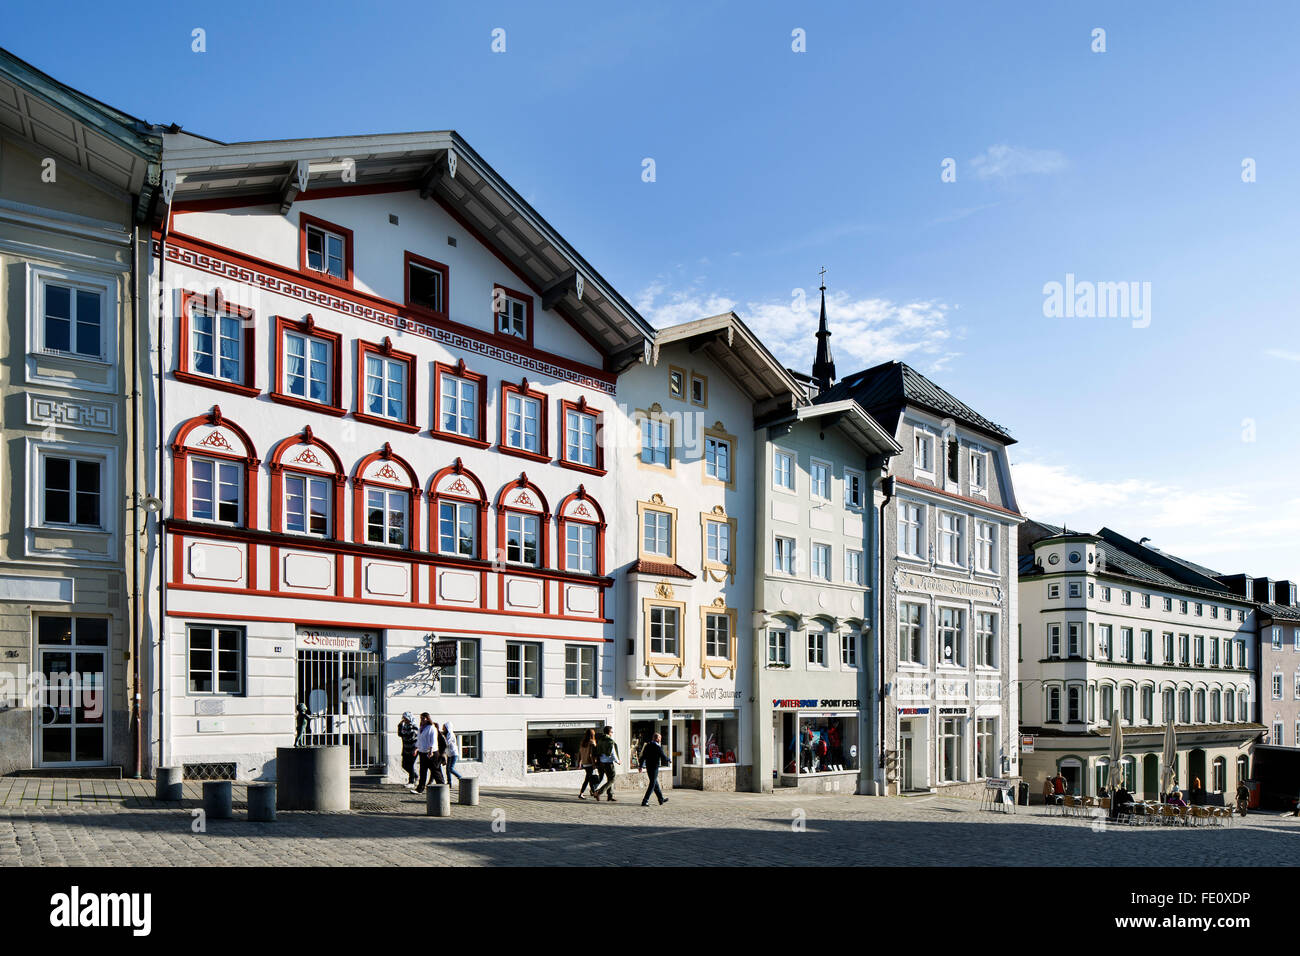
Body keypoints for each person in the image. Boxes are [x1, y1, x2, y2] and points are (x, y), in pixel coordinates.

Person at [412, 713, 445, 793]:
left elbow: (433, 741)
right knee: (422, 771)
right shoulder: (421, 728)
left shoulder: (431, 728)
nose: (422, 720)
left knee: (435, 770)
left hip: (432, 753)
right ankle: (420, 789)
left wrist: (431, 750)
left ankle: (442, 787)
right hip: (422, 752)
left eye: (424, 718)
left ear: (427, 719)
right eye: (421, 718)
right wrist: (416, 748)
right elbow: (419, 740)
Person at [638, 732, 670, 806]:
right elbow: (663, 756)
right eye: (660, 738)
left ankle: (661, 799)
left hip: (649, 767)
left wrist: (640, 766)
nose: (660, 739)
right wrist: (669, 760)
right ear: (657, 738)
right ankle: (645, 801)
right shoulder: (657, 747)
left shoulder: (647, 745)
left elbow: (643, 756)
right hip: (654, 767)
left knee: (655, 783)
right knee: (652, 784)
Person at [592, 726, 620, 801]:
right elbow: (613, 752)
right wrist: (617, 761)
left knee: (609, 779)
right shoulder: (610, 741)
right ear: (609, 732)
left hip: (601, 762)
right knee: (612, 779)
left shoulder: (600, 740)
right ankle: (598, 792)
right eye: (611, 732)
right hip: (609, 762)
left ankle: (610, 795)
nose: (612, 734)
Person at [397, 711, 418, 786]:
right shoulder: (404, 726)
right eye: (403, 718)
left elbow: (411, 737)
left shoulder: (414, 726)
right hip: (406, 749)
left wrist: (404, 734)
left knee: (410, 765)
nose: (404, 720)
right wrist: (399, 726)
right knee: (404, 765)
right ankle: (415, 775)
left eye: (406, 718)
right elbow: (400, 734)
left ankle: (411, 782)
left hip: (413, 749)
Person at [576, 728, 599, 799]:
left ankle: (593, 792)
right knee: (587, 779)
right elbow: (592, 754)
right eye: (594, 733)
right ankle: (581, 793)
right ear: (592, 734)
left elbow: (579, 753)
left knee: (590, 778)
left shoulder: (582, 742)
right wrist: (594, 765)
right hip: (590, 762)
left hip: (584, 763)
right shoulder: (592, 742)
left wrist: (579, 762)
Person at [442, 719, 463, 786]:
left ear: (447, 727)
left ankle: (460, 777)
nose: (443, 728)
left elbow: (447, 743)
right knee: (447, 769)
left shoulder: (450, 734)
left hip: (453, 753)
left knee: (451, 768)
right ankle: (449, 782)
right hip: (449, 754)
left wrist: (443, 737)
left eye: (444, 727)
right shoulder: (446, 734)